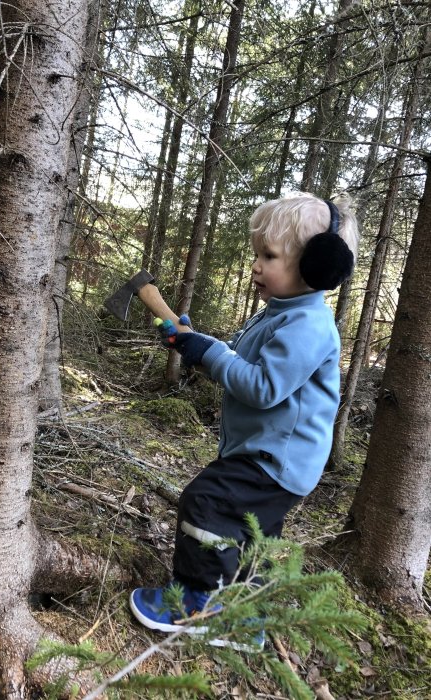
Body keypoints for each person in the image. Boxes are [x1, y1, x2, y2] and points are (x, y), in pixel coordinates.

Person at [129, 192, 359, 643]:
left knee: (206, 504)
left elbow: (263, 387)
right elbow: (240, 358)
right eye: (257, 253)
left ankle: (196, 603)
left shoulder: (309, 326)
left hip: (276, 459)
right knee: (253, 532)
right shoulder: (281, 312)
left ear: (316, 267)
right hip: (269, 453)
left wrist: (211, 354)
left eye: (269, 256)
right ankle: (244, 617)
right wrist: (197, 342)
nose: (256, 265)